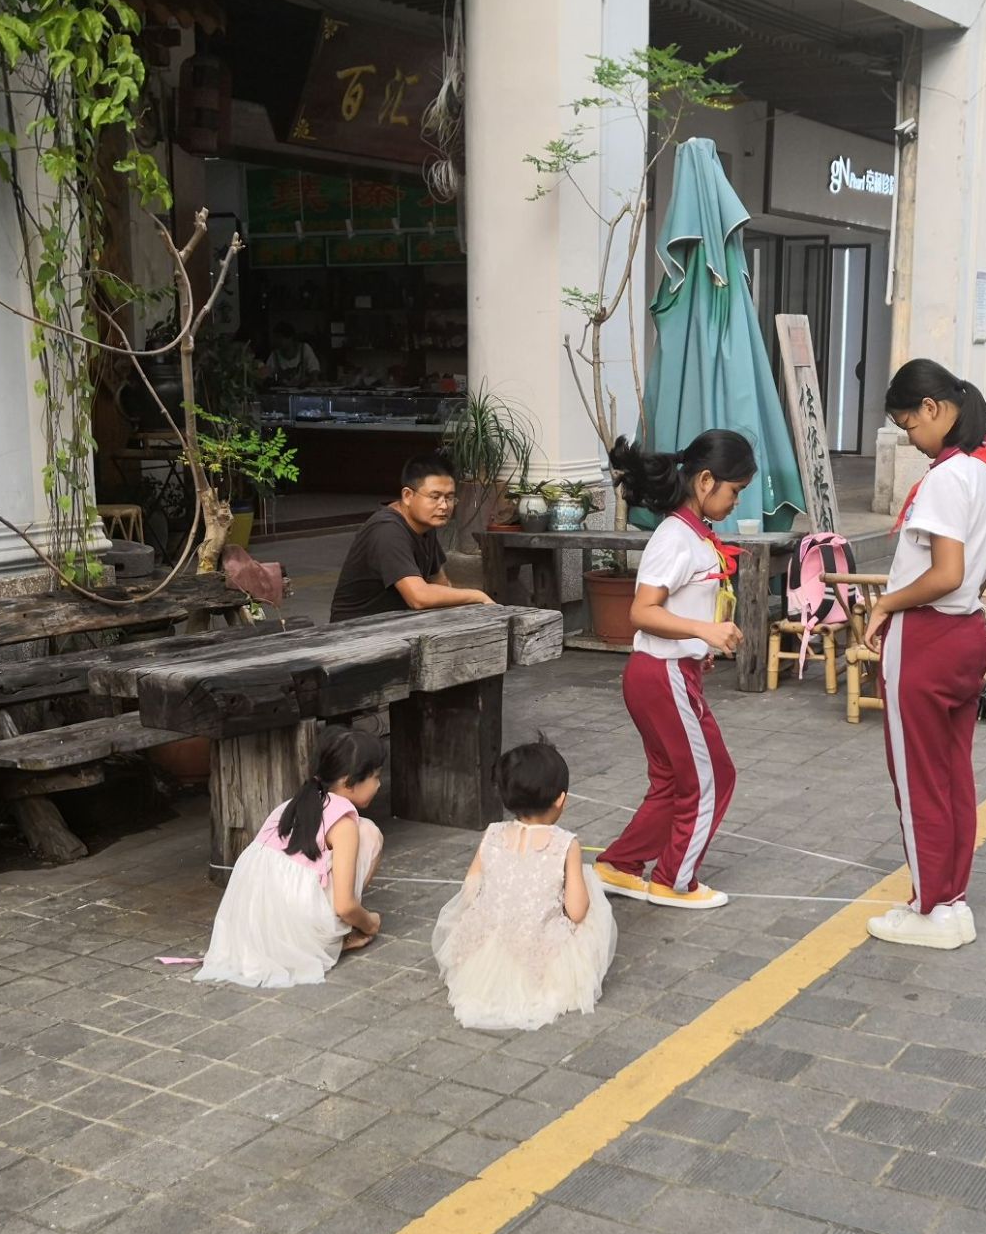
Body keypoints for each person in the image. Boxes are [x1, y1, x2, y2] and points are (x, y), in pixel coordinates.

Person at [862, 360, 986, 950]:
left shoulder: (949, 477)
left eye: (907, 425)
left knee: (918, 779)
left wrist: (884, 605)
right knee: (952, 776)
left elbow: (944, 574)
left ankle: (928, 907)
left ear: (931, 408)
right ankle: (951, 901)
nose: (910, 440)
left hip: (927, 636)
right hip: (968, 634)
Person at [593, 430, 754, 910]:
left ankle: (619, 865)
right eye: (735, 491)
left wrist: (701, 634)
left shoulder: (691, 533)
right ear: (705, 482)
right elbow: (642, 612)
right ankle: (674, 880)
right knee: (713, 777)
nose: (736, 501)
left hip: (665, 674)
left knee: (672, 780)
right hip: (663, 674)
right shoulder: (675, 536)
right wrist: (704, 632)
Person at [431, 737, 618, 1030]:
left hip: (488, 948)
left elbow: (470, 887)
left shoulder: (492, 833)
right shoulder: (565, 843)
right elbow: (577, 911)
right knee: (588, 884)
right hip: (538, 951)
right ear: (561, 799)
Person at [195, 728, 387, 988]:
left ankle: (321, 928)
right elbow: (345, 905)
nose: (378, 784)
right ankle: (339, 934)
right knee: (371, 834)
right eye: (374, 777)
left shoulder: (292, 804)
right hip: (298, 932)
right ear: (348, 781)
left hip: (249, 930)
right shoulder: (344, 823)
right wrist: (370, 922)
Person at [328, 453, 494, 621]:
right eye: (435, 497)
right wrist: (477, 596)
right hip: (356, 631)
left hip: (397, 624)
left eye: (449, 498)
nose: (444, 506)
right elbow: (418, 597)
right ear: (408, 495)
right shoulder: (387, 530)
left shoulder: (426, 525)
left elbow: (440, 583)